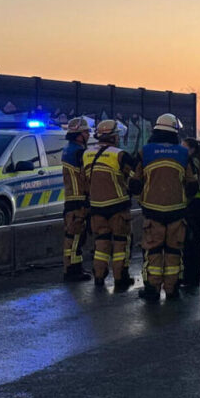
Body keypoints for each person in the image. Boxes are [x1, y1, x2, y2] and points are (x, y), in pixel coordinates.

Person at [133, 114, 198, 301]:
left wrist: (144, 197)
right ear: (174, 133)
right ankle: (172, 289)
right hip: (177, 211)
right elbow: (192, 185)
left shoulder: (145, 152)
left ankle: (152, 290)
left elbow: (134, 184)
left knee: (153, 251)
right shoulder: (183, 153)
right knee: (173, 251)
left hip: (152, 211)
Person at [83, 119, 136, 290]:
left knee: (101, 242)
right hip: (118, 205)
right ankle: (120, 277)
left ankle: (99, 276)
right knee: (121, 242)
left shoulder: (86, 154)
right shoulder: (119, 155)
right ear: (113, 136)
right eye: (117, 135)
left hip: (96, 206)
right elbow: (135, 175)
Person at [60, 117, 94, 281]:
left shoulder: (68, 149)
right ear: (79, 135)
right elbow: (86, 176)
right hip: (78, 200)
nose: (88, 135)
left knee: (73, 237)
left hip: (71, 199)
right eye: (86, 132)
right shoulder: (79, 153)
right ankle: (73, 270)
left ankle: (75, 266)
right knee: (75, 238)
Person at [180, 137, 200, 292]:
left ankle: (189, 277)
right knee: (196, 241)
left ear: (191, 150)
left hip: (191, 204)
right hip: (199, 204)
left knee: (189, 243)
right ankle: (195, 277)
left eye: (184, 147)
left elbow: (191, 186)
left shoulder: (190, 163)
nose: (181, 149)